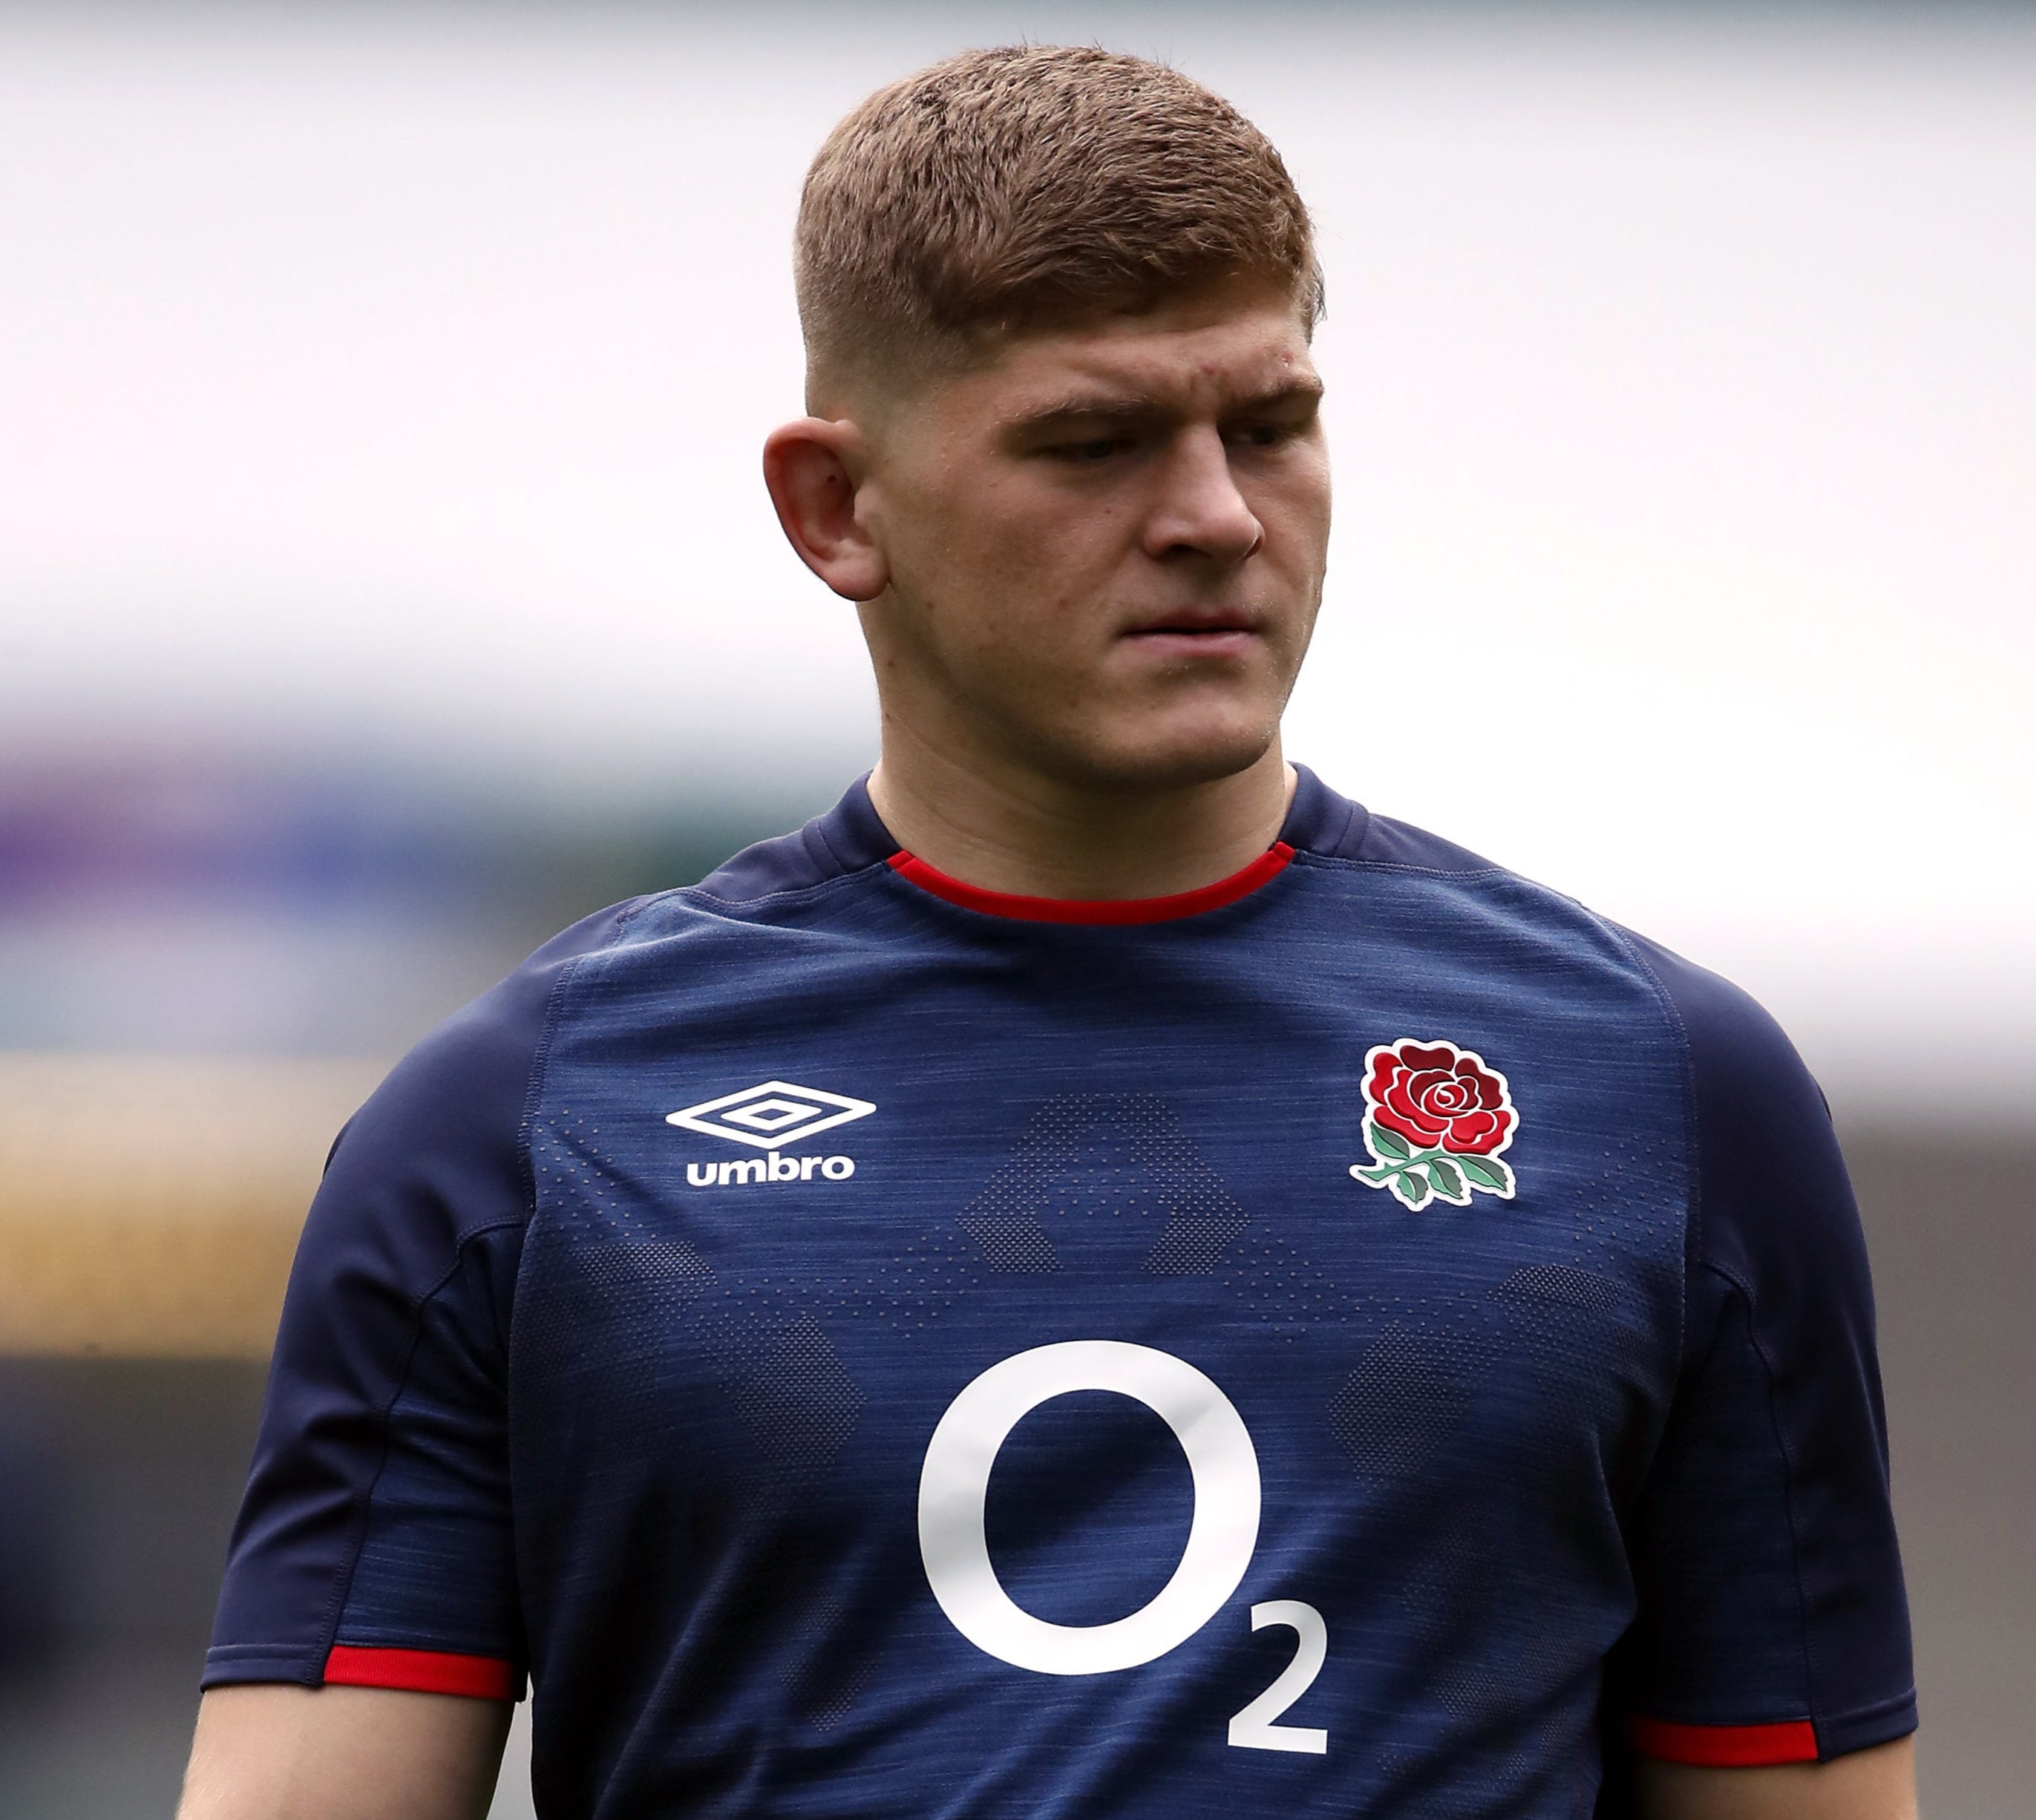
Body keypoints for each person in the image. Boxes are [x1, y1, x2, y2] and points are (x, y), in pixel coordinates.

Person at [177, 45, 1917, 1820]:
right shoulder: (517, 1131)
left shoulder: (1663, 1089)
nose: (1215, 517)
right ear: (835, 508)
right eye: (1093, 443)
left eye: (1270, 424)